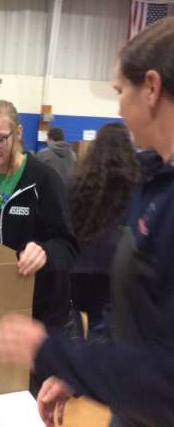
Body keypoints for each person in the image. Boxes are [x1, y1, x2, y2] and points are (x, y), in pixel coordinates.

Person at [0, 16, 174, 427]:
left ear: (153, 89)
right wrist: (78, 372)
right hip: (129, 407)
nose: (119, 106)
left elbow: (165, 379)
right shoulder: (155, 178)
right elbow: (128, 306)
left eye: (121, 91)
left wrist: (53, 350)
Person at [0, 101, 77, 347]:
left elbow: (69, 245)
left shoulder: (43, 180)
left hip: (44, 314)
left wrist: (45, 251)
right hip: (2, 308)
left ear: (18, 132)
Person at [69, 122, 139, 338]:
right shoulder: (135, 182)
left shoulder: (76, 181)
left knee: (77, 326)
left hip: (78, 267)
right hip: (115, 270)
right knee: (106, 330)